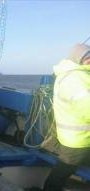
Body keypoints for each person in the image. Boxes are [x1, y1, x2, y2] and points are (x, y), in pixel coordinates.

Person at [43, 43, 90, 191]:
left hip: (71, 138)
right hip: (79, 140)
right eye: (87, 57)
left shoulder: (68, 74)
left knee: (61, 172)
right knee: (61, 174)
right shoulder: (78, 78)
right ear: (79, 60)